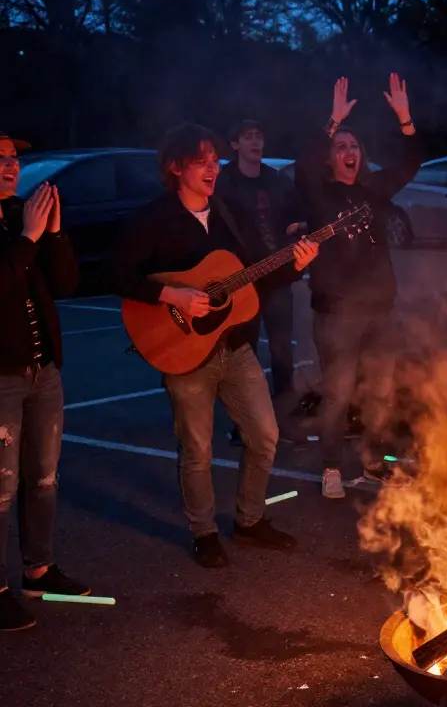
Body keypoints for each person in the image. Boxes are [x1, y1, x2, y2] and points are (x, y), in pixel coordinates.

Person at [105, 123, 319, 568]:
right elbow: (116, 276)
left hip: (235, 346)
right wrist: (174, 295)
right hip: (182, 353)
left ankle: (249, 520)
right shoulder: (153, 219)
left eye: (214, 160)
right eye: (200, 160)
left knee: (265, 434)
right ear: (175, 167)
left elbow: (259, 274)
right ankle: (203, 531)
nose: (212, 168)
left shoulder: (230, 213)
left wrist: (296, 265)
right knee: (197, 450)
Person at [294, 75, 425, 500]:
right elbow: (303, 165)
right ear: (330, 159)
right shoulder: (319, 194)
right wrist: (332, 121)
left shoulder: (373, 189)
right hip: (336, 314)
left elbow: (410, 164)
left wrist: (405, 118)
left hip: (381, 311)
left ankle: (372, 463)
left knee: (382, 393)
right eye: (341, 148)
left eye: (354, 147)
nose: (348, 152)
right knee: (338, 395)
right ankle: (331, 467)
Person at [0, 133, 91, 631]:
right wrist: (29, 239)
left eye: (14, 158)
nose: (11, 166)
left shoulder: (20, 216)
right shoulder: (18, 230)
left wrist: (53, 233)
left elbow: (68, 284)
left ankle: (37, 569)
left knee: (43, 478)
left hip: (43, 371)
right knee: (1, 487)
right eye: (0, 159)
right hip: (1, 378)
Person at [216, 120, 306, 406]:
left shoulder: (276, 180)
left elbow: (297, 216)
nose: (255, 142)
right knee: (244, 351)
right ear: (235, 144)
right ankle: (246, 419)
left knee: (282, 350)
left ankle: (284, 412)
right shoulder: (223, 182)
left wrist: (298, 228)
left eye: (259, 136)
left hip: (276, 278)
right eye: (248, 137)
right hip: (241, 280)